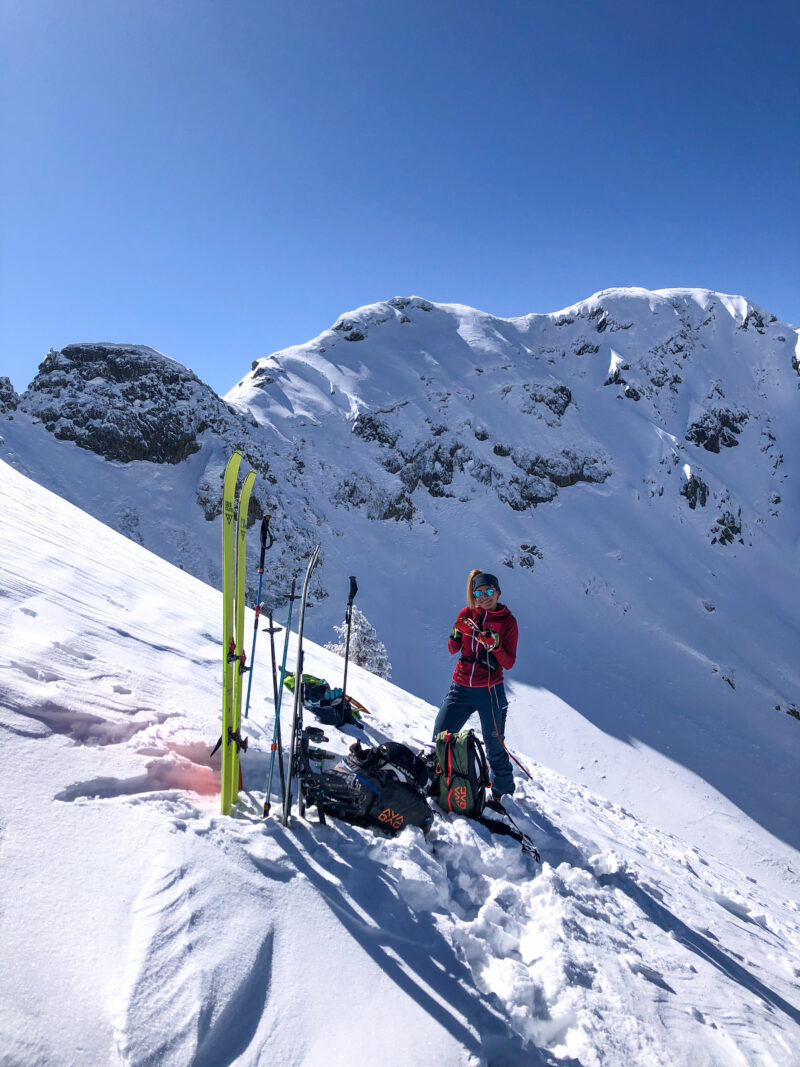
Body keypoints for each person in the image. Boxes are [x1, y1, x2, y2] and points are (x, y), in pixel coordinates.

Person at [432, 569, 519, 799]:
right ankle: (441, 779)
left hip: (490, 691)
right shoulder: (467, 613)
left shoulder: (508, 622)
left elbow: (509, 662)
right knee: (441, 734)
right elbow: (453, 648)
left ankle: (504, 795)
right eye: (479, 593)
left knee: (495, 747)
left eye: (489, 591)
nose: (484, 597)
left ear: (498, 592)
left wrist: (495, 646)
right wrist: (456, 632)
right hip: (460, 687)